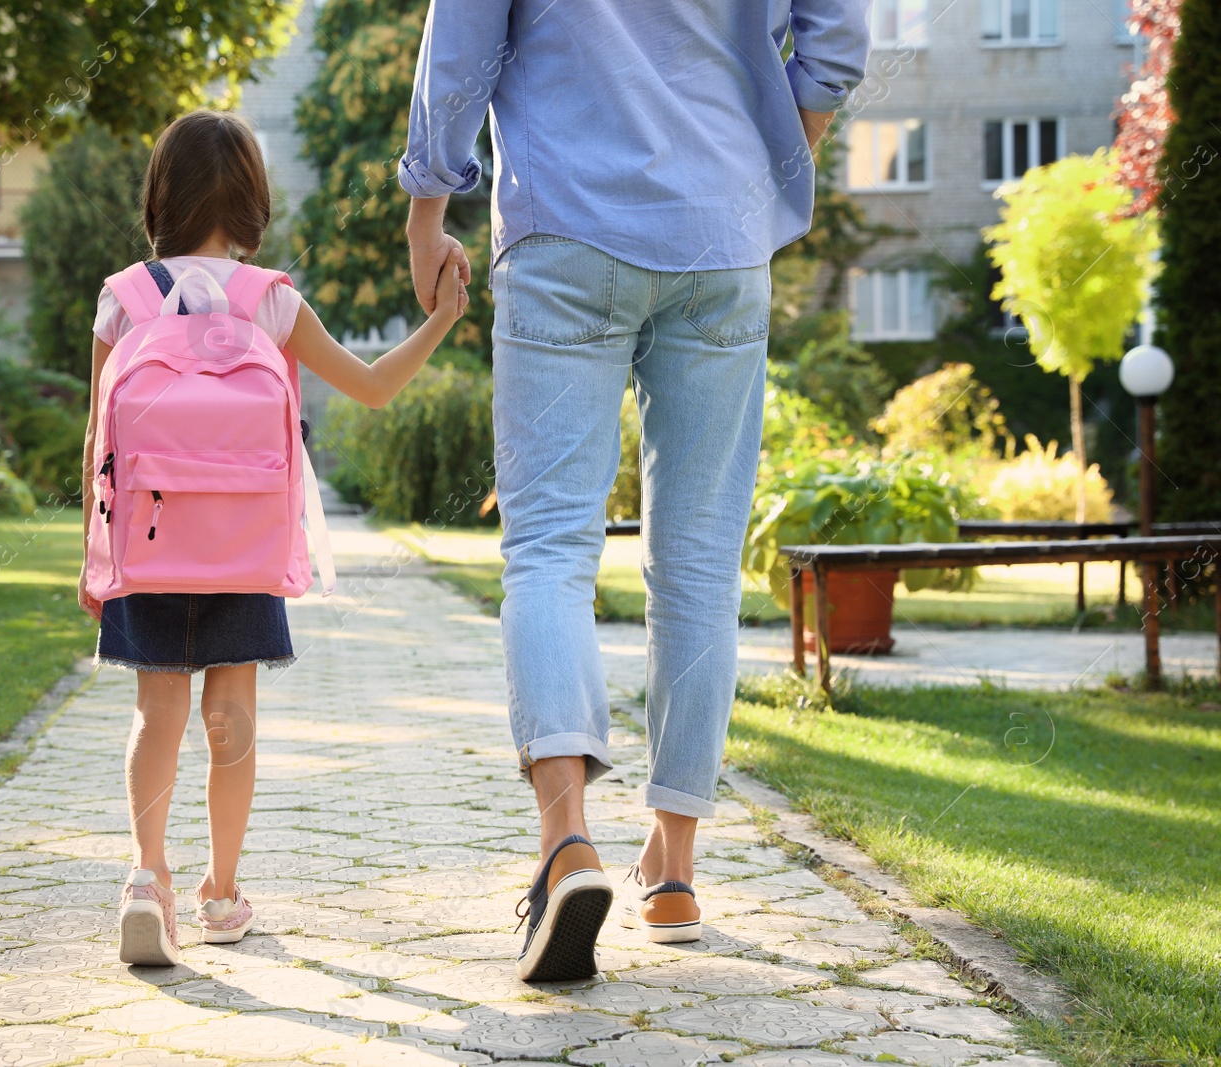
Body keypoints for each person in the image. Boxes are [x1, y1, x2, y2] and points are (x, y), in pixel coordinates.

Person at [399, 2, 870, 980]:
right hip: (723, 232)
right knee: (697, 556)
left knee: (549, 548)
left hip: (564, 227)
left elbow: (462, 44)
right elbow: (836, 34)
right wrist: (770, 158)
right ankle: (675, 871)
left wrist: (427, 203)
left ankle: (566, 842)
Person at [79, 110, 468, 966]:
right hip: (244, 546)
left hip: (145, 541)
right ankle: (222, 891)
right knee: (231, 715)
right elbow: (369, 388)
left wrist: (93, 553)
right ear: (252, 199)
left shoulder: (125, 297)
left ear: (161, 197)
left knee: (158, 713)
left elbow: (97, 437)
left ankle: (148, 877)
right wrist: (441, 318)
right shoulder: (272, 300)